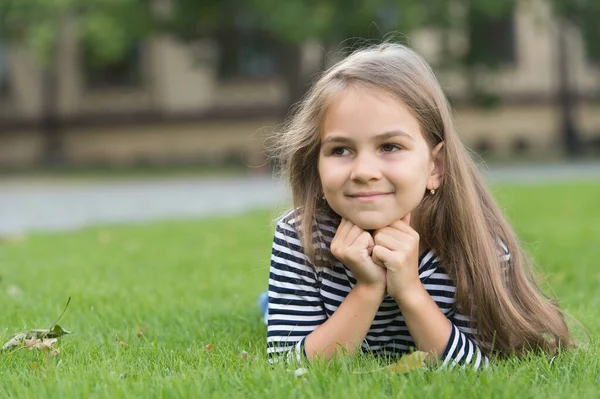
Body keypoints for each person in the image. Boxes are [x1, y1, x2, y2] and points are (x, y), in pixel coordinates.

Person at [264, 43, 573, 368]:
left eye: (389, 146)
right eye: (340, 150)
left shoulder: (473, 243)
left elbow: (477, 370)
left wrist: (410, 290)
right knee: (271, 308)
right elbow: (288, 367)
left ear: (434, 167)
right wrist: (368, 288)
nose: (364, 172)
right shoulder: (299, 235)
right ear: (317, 163)